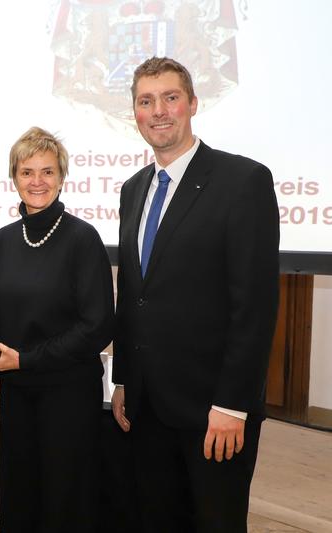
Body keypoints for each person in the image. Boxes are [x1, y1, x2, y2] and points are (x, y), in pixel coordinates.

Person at [111, 56, 280, 533]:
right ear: (135, 113)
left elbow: (256, 307)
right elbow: (134, 296)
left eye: (170, 97)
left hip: (213, 412)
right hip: (146, 407)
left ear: (192, 104)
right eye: (146, 101)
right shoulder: (132, 189)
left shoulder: (243, 181)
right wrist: (123, 378)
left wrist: (232, 405)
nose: (159, 110)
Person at [0, 126, 114, 532]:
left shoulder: (83, 239)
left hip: (69, 393)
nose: (36, 181)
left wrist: (27, 359)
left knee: (65, 500)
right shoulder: (2, 242)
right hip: (19, 394)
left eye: (47, 171)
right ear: (14, 177)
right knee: (20, 497)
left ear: (62, 176)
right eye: (26, 172)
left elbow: (98, 327)